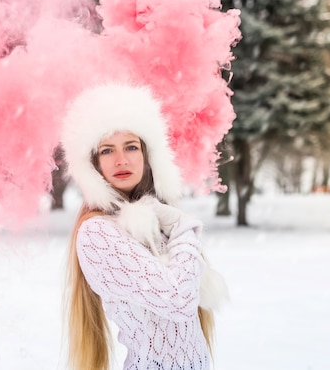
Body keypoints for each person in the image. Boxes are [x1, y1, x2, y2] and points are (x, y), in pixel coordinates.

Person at [62, 83, 222, 370]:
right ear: (94, 165)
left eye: (131, 147)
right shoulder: (97, 232)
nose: (121, 160)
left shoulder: (159, 219)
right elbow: (177, 300)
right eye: (107, 150)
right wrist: (184, 229)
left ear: (148, 156)